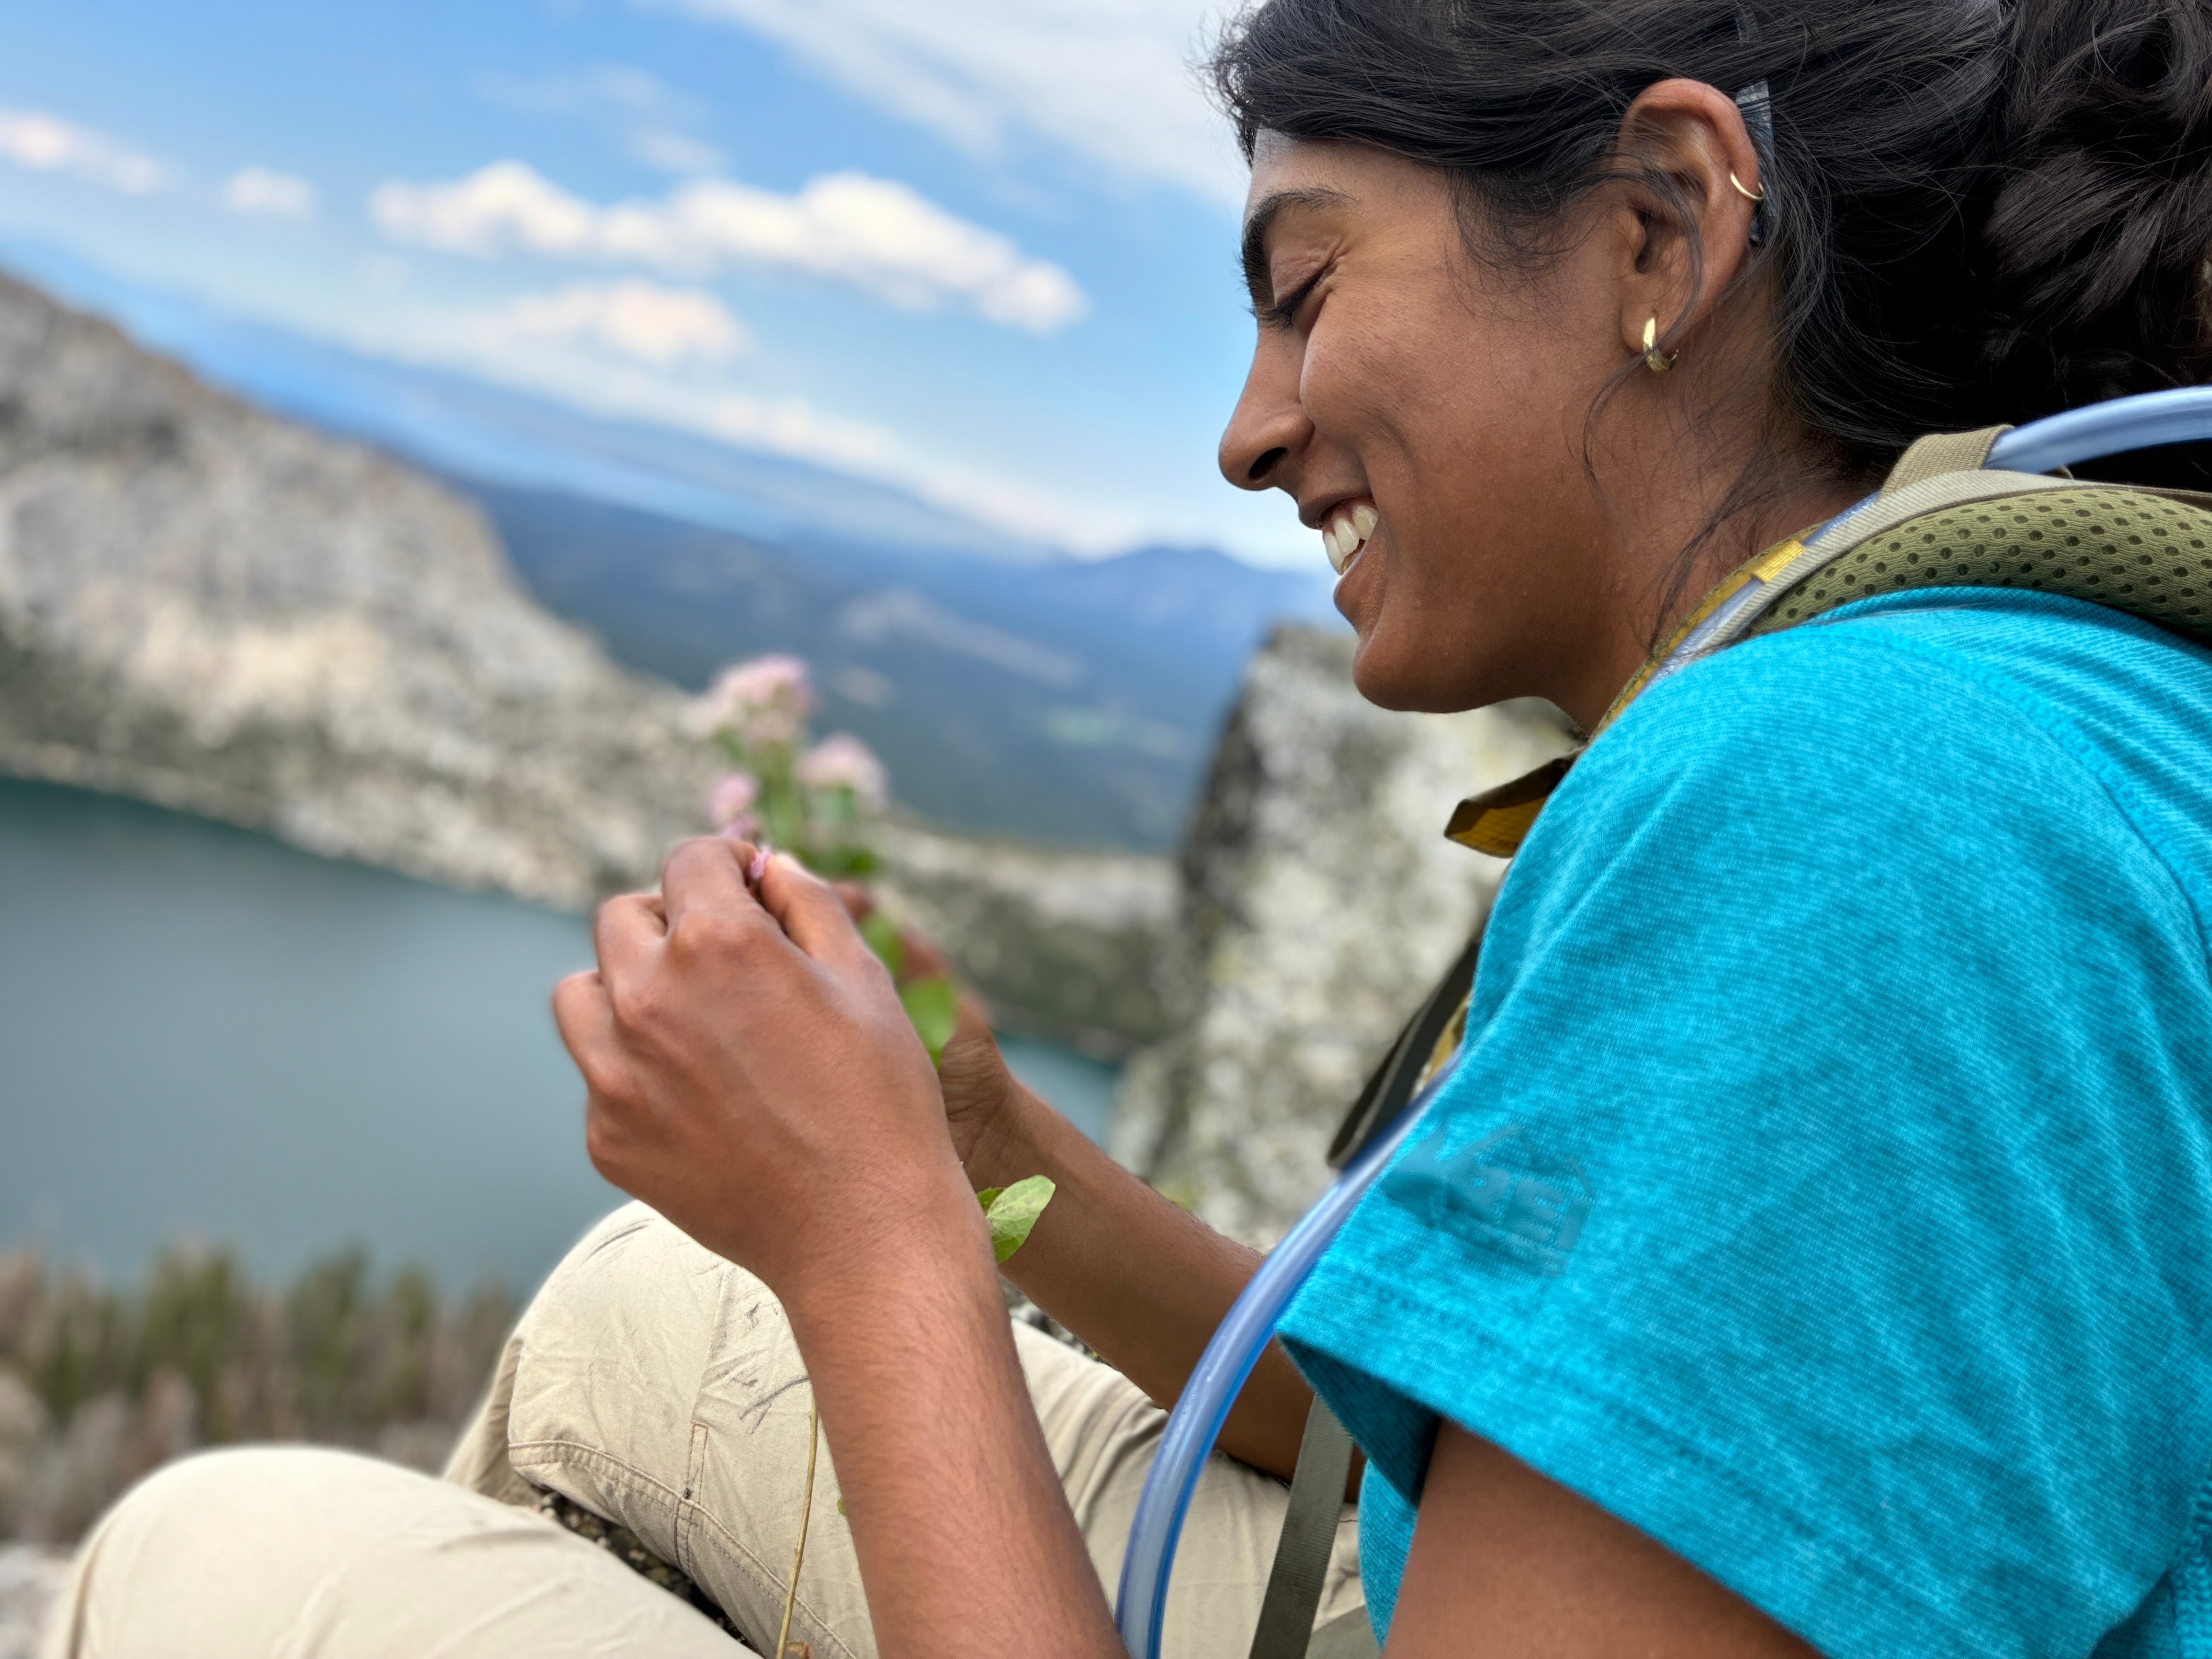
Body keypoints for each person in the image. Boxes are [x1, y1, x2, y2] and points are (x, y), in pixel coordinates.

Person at [40, 0, 2212, 1654]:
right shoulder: (1976, 691)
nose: (1250, 432)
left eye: (1304, 288)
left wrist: (879, 1243)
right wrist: (991, 1155)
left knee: (212, 1553)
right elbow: (1425, 1427)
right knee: (648, 1304)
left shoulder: (1867, 817)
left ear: (1660, 225)